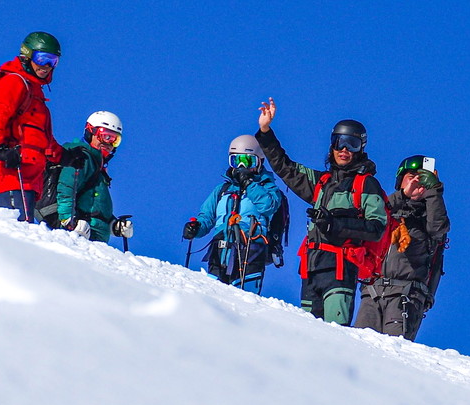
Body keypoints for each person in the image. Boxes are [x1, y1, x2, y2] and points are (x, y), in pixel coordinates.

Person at [256, 98, 387, 324]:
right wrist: (265, 131)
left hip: (340, 268)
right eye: (339, 142)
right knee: (309, 335)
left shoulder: (366, 184)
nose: (344, 149)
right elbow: (286, 168)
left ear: (361, 149)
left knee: (336, 334)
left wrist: (334, 224)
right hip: (311, 268)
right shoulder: (321, 182)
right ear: (331, 145)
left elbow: (376, 227)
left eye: (352, 144)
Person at [0, 31, 64, 221]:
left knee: (27, 235)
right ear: (27, 55)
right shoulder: (14, 82)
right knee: (18, 236)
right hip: (10, 174)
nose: (47, 66)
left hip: (31, 180)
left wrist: (63, 155)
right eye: (42, 58)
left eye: (53, 61)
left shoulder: (37, 95)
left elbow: (42, 138)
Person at [355, 155, 450, 341]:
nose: (417, 182)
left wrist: (433, 191)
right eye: (411, 176)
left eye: (422, 178)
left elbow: (438, 228)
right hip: (372, 291)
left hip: (406, 295)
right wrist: (403, 195)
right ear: (401, 180)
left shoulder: (429, 217)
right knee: (359, 347)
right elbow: (371, 215)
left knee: (393, 351)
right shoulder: (389, 208)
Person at [182, 135, 286, 295]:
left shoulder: (269, 189)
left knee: (244, 297)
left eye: (248, 161)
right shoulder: (222, 190)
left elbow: (268, 206)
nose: (242, 166)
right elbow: (207, 217)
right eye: (236, 161)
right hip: (220, 247)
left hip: (250, 248)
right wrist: (196, 228)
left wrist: (249, 184)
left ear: (260, 162)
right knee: (212, 293)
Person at [54, 111, 133, 244]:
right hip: (77, 234)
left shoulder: (98, 169)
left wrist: (114, 225)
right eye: (106, 136)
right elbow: (66, 187)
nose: (110, 143)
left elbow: (94, 207)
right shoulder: (82, 157)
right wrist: (68, 220)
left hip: (94, 237)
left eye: (115, 140)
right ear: (90, 132)